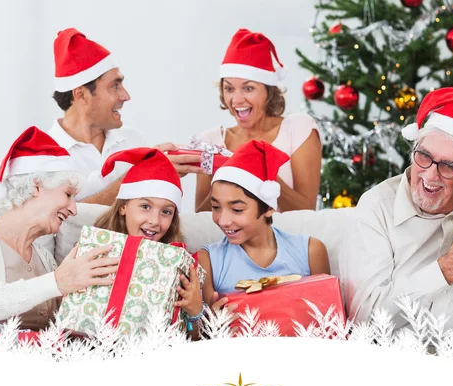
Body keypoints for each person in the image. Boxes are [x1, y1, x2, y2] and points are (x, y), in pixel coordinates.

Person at [339, 87, 453, 334]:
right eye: (423, 156)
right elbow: (366, 320)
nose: (429, 175)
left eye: (448, 166)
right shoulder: (378, 207)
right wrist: (448, 268)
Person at [0, 127, 119, 335]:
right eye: (68, 194)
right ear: (37, 186)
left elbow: (66, 330)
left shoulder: (44, 259)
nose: (74, 208)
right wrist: (57, 282)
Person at [49, 28, 204, 206]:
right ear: (81, 95)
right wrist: (142, 173)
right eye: (115, 86)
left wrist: (162, 173)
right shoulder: (46, 156)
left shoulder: (133, 140)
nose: (125, 96)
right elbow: (64, 223)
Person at [94, 147, 228, 335]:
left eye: (166, 212)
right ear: (123, 206)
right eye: (145, 206)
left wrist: (195, 311)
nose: (155, 221)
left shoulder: (183, 268)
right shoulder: (93, 249)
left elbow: (193, 337)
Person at [195, 28, 322, 214]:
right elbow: (202, 220)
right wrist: (226, 175)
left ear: (268, 91)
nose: (236, 100)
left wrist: (267, 174)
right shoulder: (211, 141)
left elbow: (306, 213)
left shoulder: (299, 130)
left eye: (248, 89)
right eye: (229, 89)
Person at [198, 140, 330, 307]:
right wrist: (211, 322)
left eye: (237, 209)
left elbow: (328, 319)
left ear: (268, 208)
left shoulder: (310, 251)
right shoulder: (208, 260)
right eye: (216, 207)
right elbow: (203, 328)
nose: (223, 221)